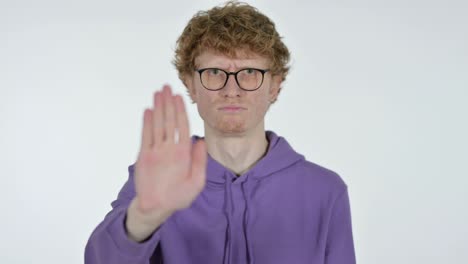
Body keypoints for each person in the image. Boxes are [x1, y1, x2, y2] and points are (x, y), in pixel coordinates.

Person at [84, 1, 356, 263]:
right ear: (191, 85)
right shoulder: (160, 178)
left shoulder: (325, 192)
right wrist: (144, 216)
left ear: (274, 86)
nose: (231, 90)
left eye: (249, 71)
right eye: (215, 71)